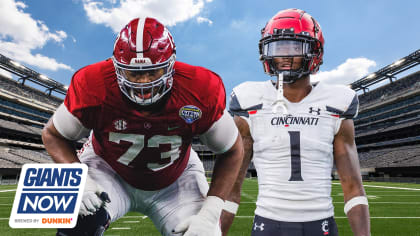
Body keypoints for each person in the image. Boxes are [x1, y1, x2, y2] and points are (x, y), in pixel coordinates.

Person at [42, 17, 243, 236]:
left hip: (176, 177)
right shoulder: (93, 84)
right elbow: (53, 134)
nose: (143, 83)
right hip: (109, 169)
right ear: (117, 67)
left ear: (170, 65)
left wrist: (210, 213)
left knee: (203, 233)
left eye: (152, 72)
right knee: (78, 220)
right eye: (134, 73)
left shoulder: (200, 88)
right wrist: (79, 179)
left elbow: (232, 150)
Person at [221, 8, 370, 236]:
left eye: (294, 47)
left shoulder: (337, 102)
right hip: (267, 225)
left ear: (314, 51)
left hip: (320, 225)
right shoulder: (249, 100)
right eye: (277, 48)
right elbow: (232, 186)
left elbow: (353, 187)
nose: (284, 57)